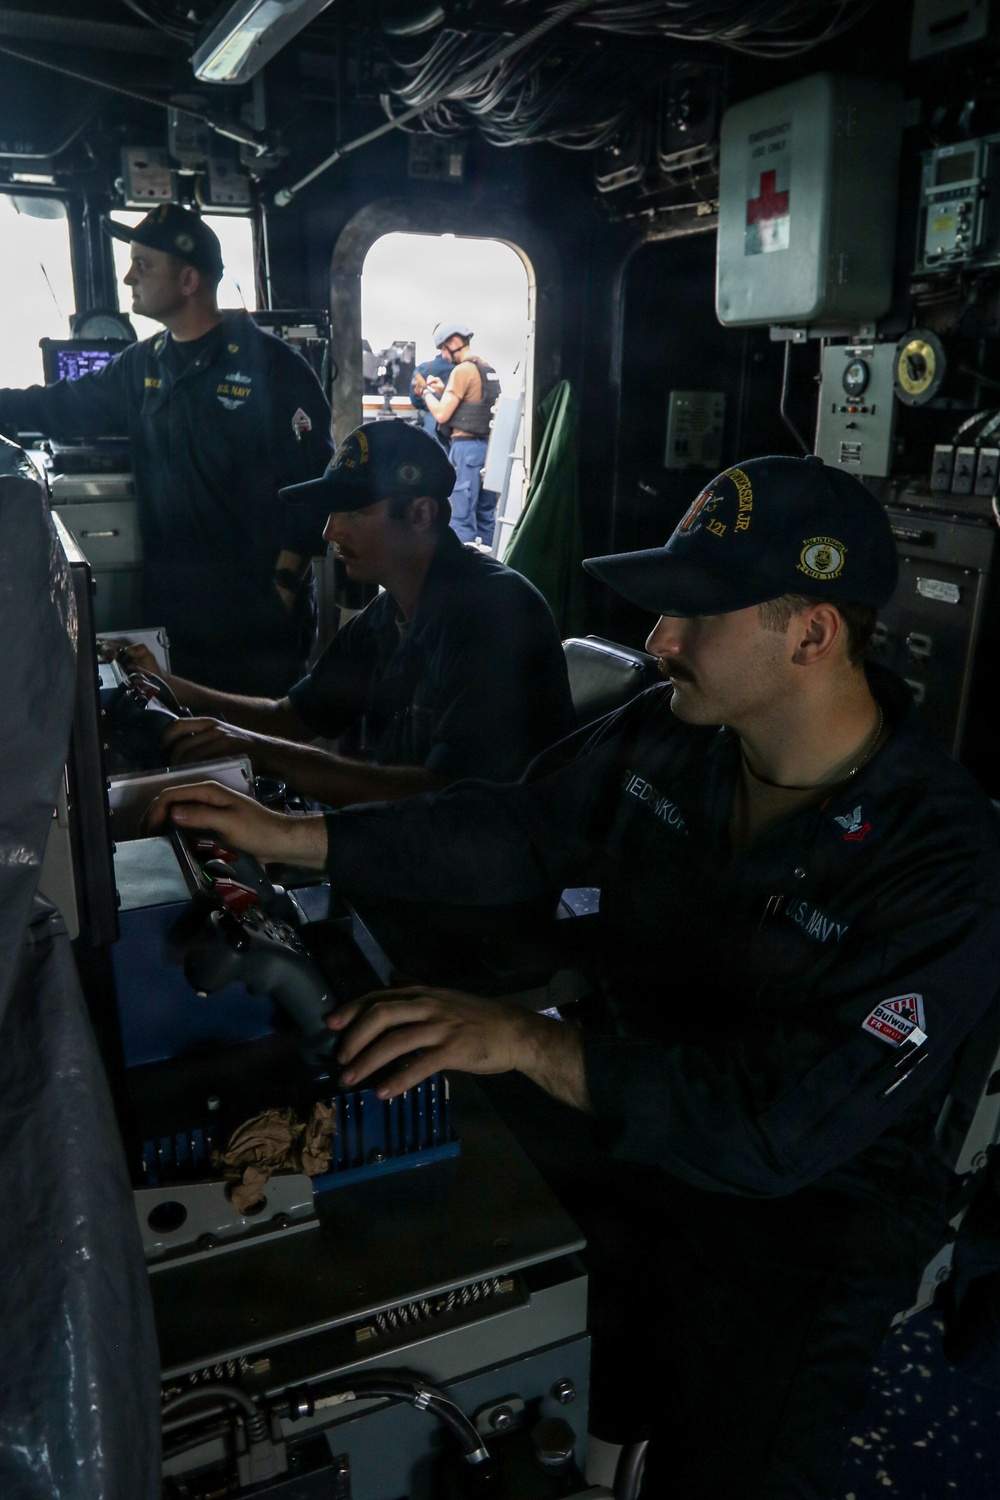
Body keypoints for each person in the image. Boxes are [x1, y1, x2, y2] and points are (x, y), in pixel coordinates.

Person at [149, 454, 1000, 1500]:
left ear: (811, 635)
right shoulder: (674, 732)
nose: (659, 640)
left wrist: (527, 1038)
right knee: (401, 1156)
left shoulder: (942, 860)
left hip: (805, 1213)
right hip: (629, 1091)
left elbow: (780, 1127)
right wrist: (295, 837)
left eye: (695, 615)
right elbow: (514, 828)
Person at [140, 420, 576, 810]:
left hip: (484, 889)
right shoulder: (387, 616)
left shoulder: (493, 614)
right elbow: (290, 717)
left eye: (353, 511)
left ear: (421, 514)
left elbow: (444, 796)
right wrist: (168, 682)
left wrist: (264, 755)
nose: (330, 531)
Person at [0, 203, 332, 696]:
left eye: (144, 264)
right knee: (185, 746)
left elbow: (313, 490)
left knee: (258, 752)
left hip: (254, 616)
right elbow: (60, 406)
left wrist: (282, 592)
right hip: (174, 612)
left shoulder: (274, 368)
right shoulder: (142, 364)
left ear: (189, 280)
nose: (129, 276)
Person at [414, 322, 501, 546]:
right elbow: (472, 402)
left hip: (466, 450)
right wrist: (444, 391)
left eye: (443, 349)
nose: (443, 355)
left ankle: (464, 575)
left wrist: (425, 393)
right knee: (485, 516)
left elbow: (442, 415)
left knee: (461, 517)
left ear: (454, 342)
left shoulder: (462, 370)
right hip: (488, 451)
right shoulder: (485, 368)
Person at [409, 352, 453, 444]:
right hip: (456, 423)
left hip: (431, 420)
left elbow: (415, 401)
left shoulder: (423, 368)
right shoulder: (462, 369)